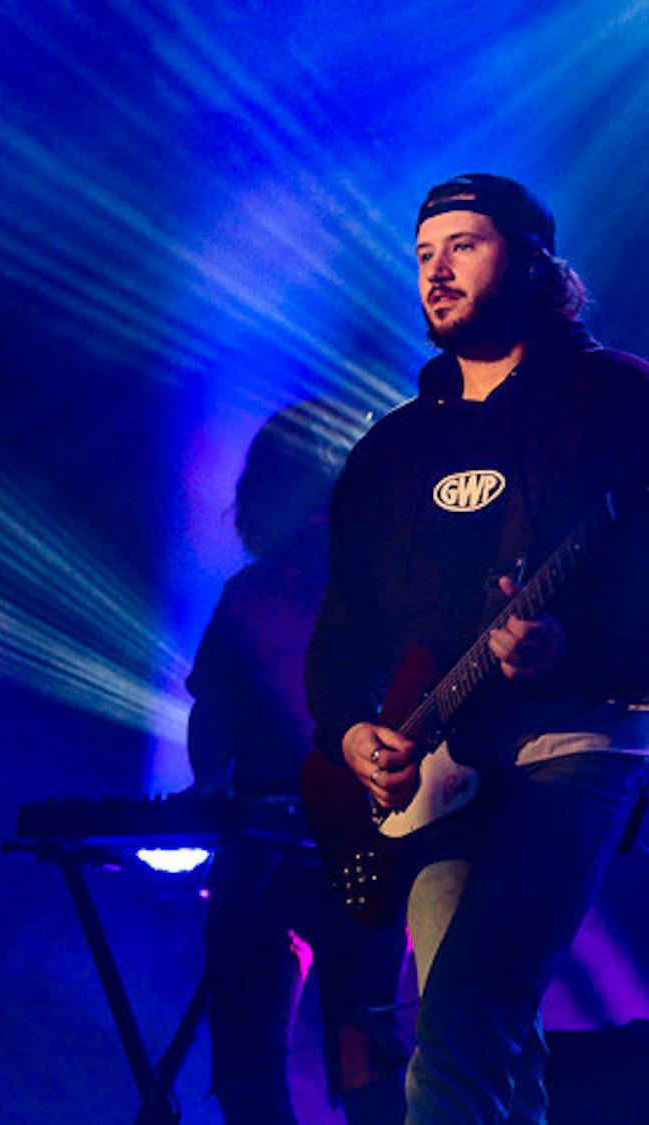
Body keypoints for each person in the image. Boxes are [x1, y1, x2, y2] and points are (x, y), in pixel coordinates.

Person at [305, 173, 649, 1123]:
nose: (437, 271)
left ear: (536, 264)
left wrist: (568, 647)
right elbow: (346, 633)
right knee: (491, 1047)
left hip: (574, 745)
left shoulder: (619, 397)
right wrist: (350, 733)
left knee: (460, 1026)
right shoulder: (394, 446)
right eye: (423, 253)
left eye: (464, 245)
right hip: (436, 774)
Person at [188, 403, 409, 1124]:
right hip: (287, 853)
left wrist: (212, 787)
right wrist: (213, 789)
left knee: (315, 1065)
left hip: (340, 854)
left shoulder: (363, 590)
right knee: (338, 1064)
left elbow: (211, 717)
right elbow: (212, 714)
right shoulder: (256, 594)